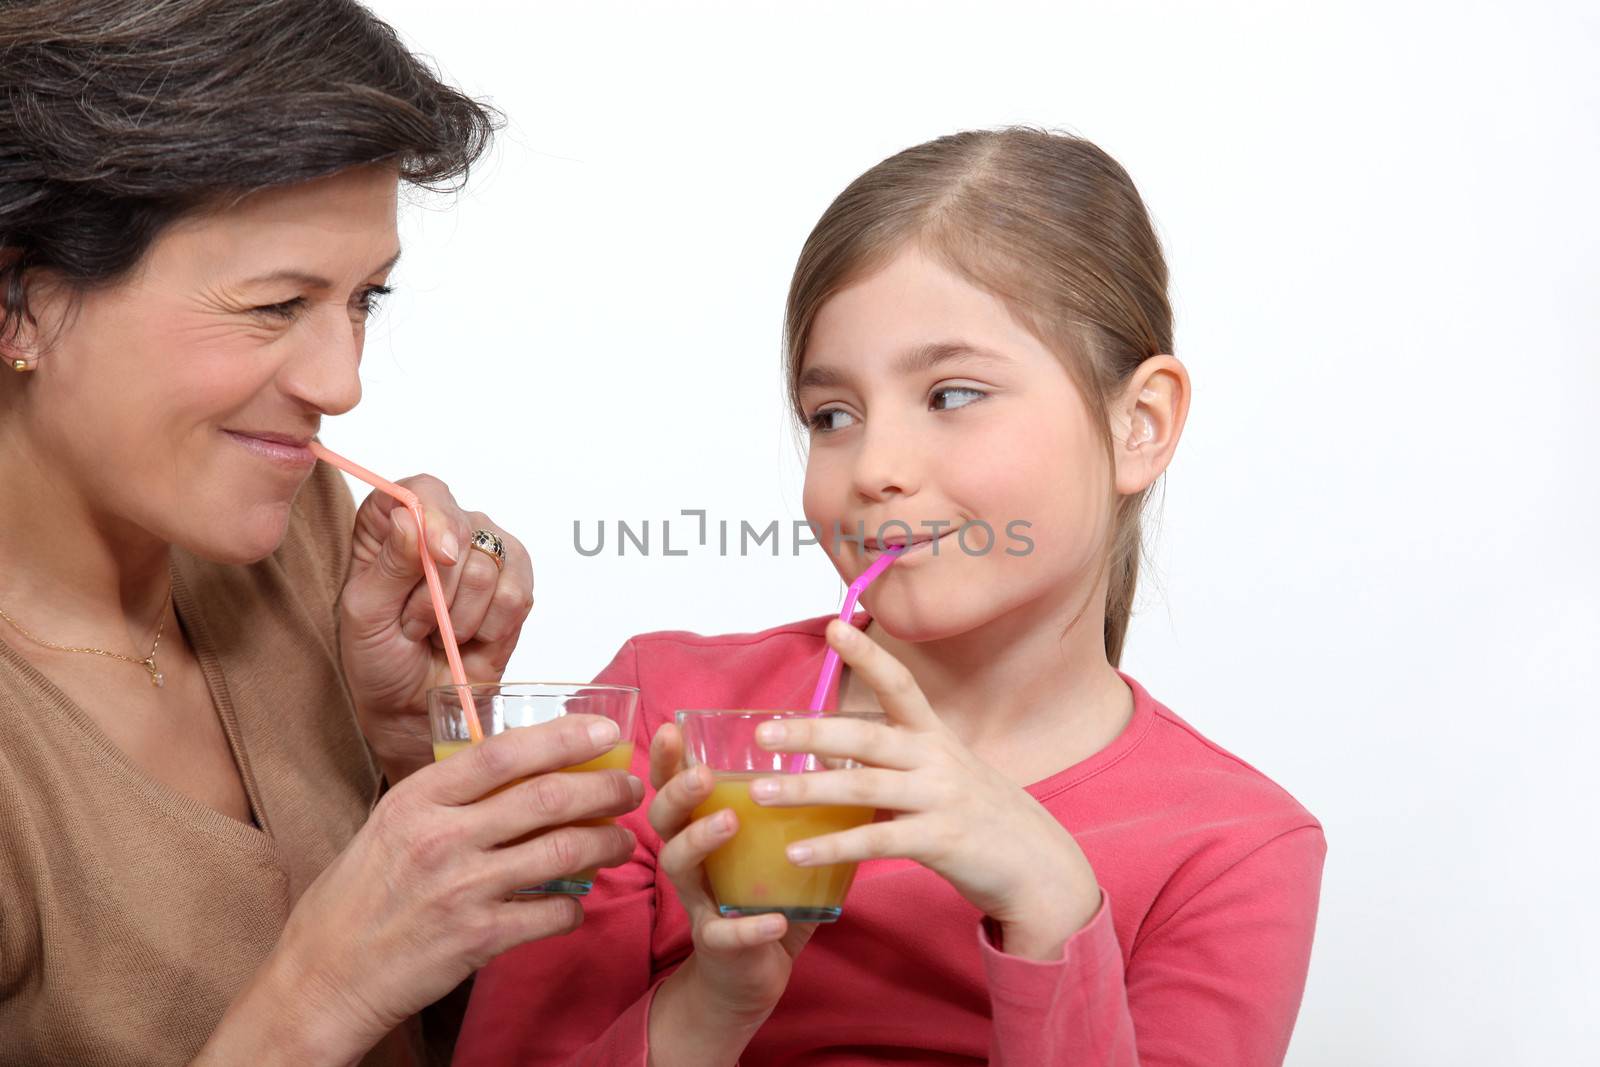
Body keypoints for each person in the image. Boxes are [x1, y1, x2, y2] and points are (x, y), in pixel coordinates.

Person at [455, 128, 1326, 1065]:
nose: (874, 468)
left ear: (1139, 424)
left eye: (952, 396)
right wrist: (713, 1005)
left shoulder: (1234, 847)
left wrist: (1052, 914)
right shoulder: (662, 722)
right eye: (833, 416)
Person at [0, 4, 640, 1064]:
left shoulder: (295, 537)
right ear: (18, 299)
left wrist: (405, 755)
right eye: (274, 305)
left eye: (363, 300)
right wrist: (324, 984)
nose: (339, 384)